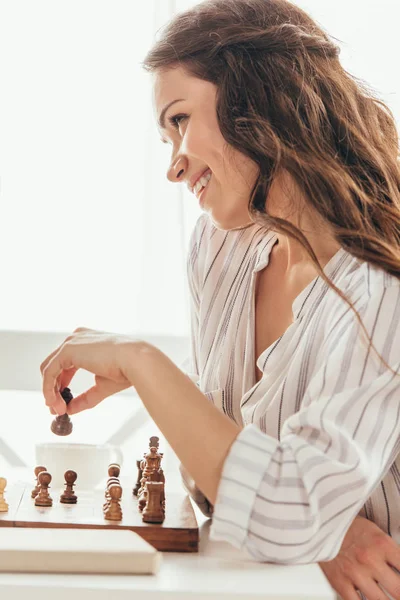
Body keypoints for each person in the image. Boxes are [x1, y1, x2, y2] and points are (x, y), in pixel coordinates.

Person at [40, 0, 400, 598]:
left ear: (258, 99)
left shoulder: (378, 288)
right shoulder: (219, 248)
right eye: (165, 137)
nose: (175, 167)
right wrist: (323, 532)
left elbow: (282, 513)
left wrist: (140, 359)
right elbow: (215, 484)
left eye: (180, 120)